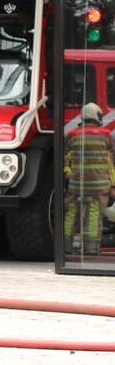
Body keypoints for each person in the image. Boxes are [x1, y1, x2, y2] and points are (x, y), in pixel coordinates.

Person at [64, 102, 115, 255]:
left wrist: (69, 177)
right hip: (99, 187)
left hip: (76, 185)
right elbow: (110, 163)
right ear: (97, 116)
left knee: (72, 213)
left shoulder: (71, 135)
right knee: (93, 214)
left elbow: (66, 161)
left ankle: (65, 246)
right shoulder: (106, 136)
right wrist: (113, 185)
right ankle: (91, 248)